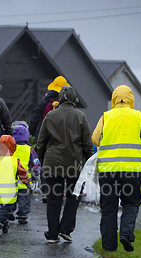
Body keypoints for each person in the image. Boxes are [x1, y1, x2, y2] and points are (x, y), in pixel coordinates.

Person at [92, 85, 141, 252]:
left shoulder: (105, 117)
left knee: (109, 207)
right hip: (132, 170)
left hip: (108, 170)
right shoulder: (139, 116)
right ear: (131, 99)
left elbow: (95, 139)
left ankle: (108, 246)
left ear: (114, 98)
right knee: (131, 202)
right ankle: (126, 233)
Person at [36, 86, 92, 244]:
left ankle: (52, 234)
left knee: (54, 198)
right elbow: (87, 142)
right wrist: (88, 160)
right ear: (74, 99)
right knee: (73, 196)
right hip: (74, 163)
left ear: (60, 99)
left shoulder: (51, 115)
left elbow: (41, 141)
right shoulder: (81, 116)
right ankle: (66, 229)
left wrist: (41, 160)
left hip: (52, 162)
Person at [29, 75, 70, 203]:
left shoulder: (45, 100)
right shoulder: (67, 101)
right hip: (62, 136)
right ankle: (60, 190)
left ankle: (46, 192)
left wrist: (32, 132)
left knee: (45, 163)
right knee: (62, 163)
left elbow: (36, 115)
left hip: (45, 135)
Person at [0, 135, 30, 238]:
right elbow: (23, 174)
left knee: (4, 209)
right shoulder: (14, 161)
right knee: (5, 209)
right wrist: (27, 182)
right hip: (9, 192)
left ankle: (5, 225)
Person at [11, 123, 41, 224]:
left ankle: (9, 212)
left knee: (11, 199)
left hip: (11, 182)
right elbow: (36, 164)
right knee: (24, 201)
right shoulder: (30, 150)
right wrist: (36, 176)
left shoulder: (10, 148)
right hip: (24, 182)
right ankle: (22, 216)